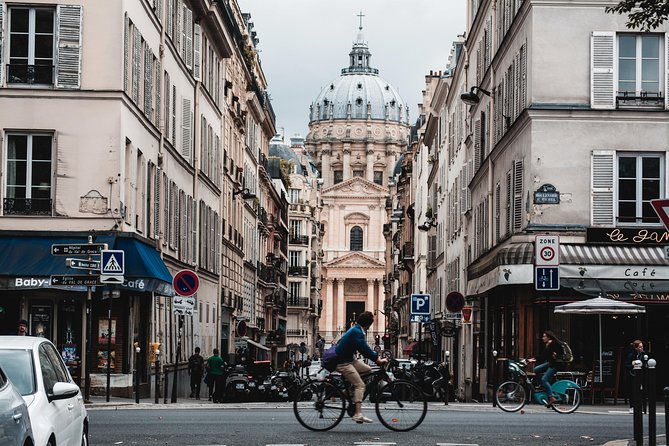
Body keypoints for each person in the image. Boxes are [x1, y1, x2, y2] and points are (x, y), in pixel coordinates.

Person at [334, 311, 388, 423]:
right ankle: (358, 414)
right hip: (342, 362)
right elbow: (364, 348)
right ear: (368, 325)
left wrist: (375, 359)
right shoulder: (357, 332)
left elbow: (363, 348)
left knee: (368, 370)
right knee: (360, 385)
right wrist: (377, 360)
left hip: (349, 359)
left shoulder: (356, 330)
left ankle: (348, 390)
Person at [528, 330, 562, 407]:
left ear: (548, 337)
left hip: (555, 365)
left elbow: (546, 356)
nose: (542, 338)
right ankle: (544, 386)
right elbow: (544, 356)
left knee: (544, 379)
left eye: (544, 336)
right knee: (536, 369)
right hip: (551, 363)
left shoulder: (553, 344)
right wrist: (533, 359)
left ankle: (551, 397)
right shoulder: (549, 344)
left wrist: (534, 359)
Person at [624, 340, 646, 413]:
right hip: (632, 375)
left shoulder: (644, 355)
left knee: (640, 391)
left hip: (641, 376)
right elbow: (626, 365)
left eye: (642, 346)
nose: (642, 348)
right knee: (632, 391)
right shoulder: (631, 355)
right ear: (636, 348)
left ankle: (640, 406)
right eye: (640, 347)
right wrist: (633, 365)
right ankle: (632, 406)